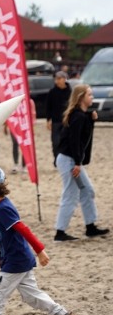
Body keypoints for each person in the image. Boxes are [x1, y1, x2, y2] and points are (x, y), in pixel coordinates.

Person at [0, 165, 81, 315]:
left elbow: (23, 229)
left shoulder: (4, 208)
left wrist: (40, 251)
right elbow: (0, 234)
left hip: (15, 262)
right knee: (31, 296)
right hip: (18, 260)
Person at [53, 84, 109, 242]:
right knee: (70, 194)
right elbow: (74, 141)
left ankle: (90, 226)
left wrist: (92, 121)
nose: (92, 97)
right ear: (81, 98)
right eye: (89, 95)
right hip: (68, 160)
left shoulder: (81, 115)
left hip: (71, 159)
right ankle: (60, 232)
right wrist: (77, 163)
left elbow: (84, 138)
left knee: (87, 191)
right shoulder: (78, 116)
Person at [46, 71, 72, 164]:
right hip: (56, 121)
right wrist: (48, 120)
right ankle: (56, 159)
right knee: (55, 142)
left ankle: (65, 160)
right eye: (56, 79)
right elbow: (48, 107)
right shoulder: (52, 92)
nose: (56, 81)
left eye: (59, 79)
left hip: (67, 121)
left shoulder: (70, 92)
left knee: (66, 142)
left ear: (64, 79)